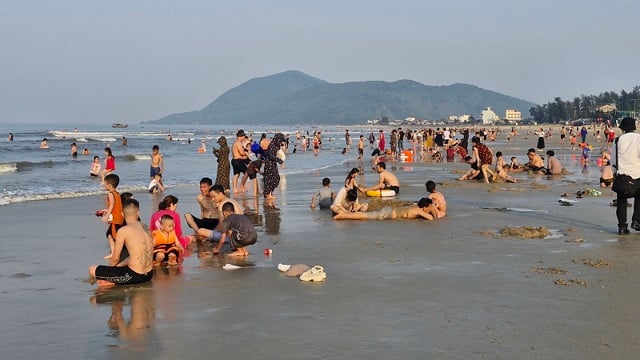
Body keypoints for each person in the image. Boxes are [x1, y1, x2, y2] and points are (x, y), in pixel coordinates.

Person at [89, 199, 154, 287]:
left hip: (134, 275)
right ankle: (115, 281)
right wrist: (120, 265)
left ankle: (113, 282)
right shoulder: (146, 227)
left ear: (122, 214)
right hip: (149, 274)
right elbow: (144, 253)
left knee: (92, 269)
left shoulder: (123, 230)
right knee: (120, 266)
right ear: (138, 212)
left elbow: (115, 257)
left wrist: (109, 274)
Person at [610, 117, 640, 235]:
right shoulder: (639, 138)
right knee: (639, 198)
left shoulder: (617, 140)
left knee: (621, 201)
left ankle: (622, 227)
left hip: (622, 175)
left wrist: (614, 172)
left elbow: (613, 159)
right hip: (638, 174)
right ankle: (637, 221)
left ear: (622, 128)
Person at [333, 198, 438, 221]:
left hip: (388, 211)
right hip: (386, 213)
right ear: (425, 207)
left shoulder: (415, 207)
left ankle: (344, 214)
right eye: (429, 207)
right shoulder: (419, 210)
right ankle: (343, 215)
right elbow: (431, 218)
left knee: (365, 216)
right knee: (364, 216)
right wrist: (433, 209)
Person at [100, 174, 124, 259]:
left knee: (112, 235)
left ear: (109, 185)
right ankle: (115, 251)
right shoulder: (117, 194)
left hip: (115, 219)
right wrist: (105, 210)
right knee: (110, 234)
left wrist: (106, 215)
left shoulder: (110, 194)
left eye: (105, 184)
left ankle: (114, 252)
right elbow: (116, 206)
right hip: (119, 217)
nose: (104, 185)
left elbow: (112, 204)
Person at [263, 133, 285, 199]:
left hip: (272, 163)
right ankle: (268, 194)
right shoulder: (272, 145)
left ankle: (269, 193)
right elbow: (270, 155)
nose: (281, 142)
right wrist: (278, 160)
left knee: (275, 178)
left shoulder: (274, 145)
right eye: (281, 140)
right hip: (269, 164)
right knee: (270, 179)